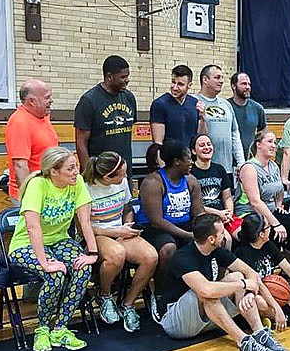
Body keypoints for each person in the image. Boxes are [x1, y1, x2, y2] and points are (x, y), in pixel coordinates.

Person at [159, 214, 287, 351]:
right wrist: (243, 285)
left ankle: (260, 333)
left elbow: (250, 273)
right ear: (211, 239)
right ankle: (244, 342)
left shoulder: (216, 250)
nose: (225, 235)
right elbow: (206, 290)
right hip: (176, 322)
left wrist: (251, 292)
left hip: (204, 315)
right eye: (221, 233)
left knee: (237, 276)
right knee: (207, 292)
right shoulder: (183, 257)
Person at [8, 147, 98, 351]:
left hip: (59, 240)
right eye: (71, 168)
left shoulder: (77, 184)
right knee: (56, 273)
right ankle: (42, 329)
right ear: (53, 171)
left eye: (76, 166)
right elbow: (32, 227)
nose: (77, 172)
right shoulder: (38, 185)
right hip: (26, 244)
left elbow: (84, 221)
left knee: (82, 268)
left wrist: (92, 254)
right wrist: (44, 262)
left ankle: (60, 328)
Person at [82, 151, 158, 333]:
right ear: (107, 177)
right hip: (97, 235)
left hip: (120, 230)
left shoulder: (122, 183)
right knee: (117, 254)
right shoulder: (85, 188)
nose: (126, 176)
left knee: (151, 256)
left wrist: (127, 225)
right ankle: (105, 295)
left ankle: (128, 303)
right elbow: (84, 227)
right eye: (122, 174)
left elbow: (127, 208)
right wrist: (115, 231)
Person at [134, 139, 204, 313]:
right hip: (154, 228)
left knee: (214, 240)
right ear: (177, 161)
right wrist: (187, 236)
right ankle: (160, 295)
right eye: (189, 158)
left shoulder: (191, 181)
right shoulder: (153, 182)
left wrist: (205, 231)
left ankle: (205, 289)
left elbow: (199, 214)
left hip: (183, 225)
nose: (192, 162)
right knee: (168, 249)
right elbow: (157, 220)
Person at [235, 213, 290, 327]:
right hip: (258, 291)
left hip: (274, 289)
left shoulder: (267, 244)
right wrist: (276, 306)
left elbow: (288, 268)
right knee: (257, 301)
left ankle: (280, 317)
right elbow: (258, 284)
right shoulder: (243, 253)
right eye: (268, 227)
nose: (270, 228)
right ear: (261, 234)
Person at [236, 130, 290, 255]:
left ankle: (287, 269)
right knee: (274, 233)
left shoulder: (273, 166)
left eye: (275, 142)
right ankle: (269, 268)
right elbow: (255, 202)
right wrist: (276, 224)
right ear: (259, 145)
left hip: (270, 211)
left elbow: (279, 190)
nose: (274, 145)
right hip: (250, 213)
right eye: (269, 142)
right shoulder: (249, 168)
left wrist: (278, 205)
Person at [75, 55, 137, 183]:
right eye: (123, 77)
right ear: (109, 77)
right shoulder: (89, 101)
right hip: (100, 175)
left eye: (127, 76)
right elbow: (81, 142)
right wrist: (88, 174)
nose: (127, 80)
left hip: (124, 173)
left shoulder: (129, 97)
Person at [6, 79, 58, 201]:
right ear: (32, 102)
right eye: (47, 97)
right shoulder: (19, 122)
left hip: (49, 190)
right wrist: (28, 198)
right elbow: (20, 165)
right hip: (33, 194)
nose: (51, 100)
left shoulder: (43, 116)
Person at [195, 65, 245, 184]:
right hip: (204, 168)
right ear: (205, 80)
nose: (221, 81)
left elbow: (234, 134)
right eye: (217, 77)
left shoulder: (226, 105)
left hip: (227, 168)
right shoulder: (194, 102)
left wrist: (241, 162)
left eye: (222, 77)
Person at [190, 133, 242, 240]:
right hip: (204, 217)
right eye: (202, 145)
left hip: (225, 216)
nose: (206, 147)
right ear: (194, 151)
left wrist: (229, 213)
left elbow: (227, 197)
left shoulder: (219, 169)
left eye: (209, 144)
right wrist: (218, 214)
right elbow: (194, 206)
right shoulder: (190, 172)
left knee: (246, 234)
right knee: (226, 239)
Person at [149, 65, 206, 145]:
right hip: (170, 155)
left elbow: (201, 137)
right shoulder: (160, 104)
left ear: (189, 85)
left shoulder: (194, 103)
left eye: (180, 84)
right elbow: (158, 143)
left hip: (190, 155)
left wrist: (202, 118)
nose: (175, 88)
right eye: (173, 82)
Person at [228, 72, 267, 157]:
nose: (247, 87)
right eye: (243, 84)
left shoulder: (257, 108)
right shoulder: (226, 107)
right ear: (233, 86)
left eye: (249, 84)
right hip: (230, 158)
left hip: (250, 159)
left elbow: (263, 132)